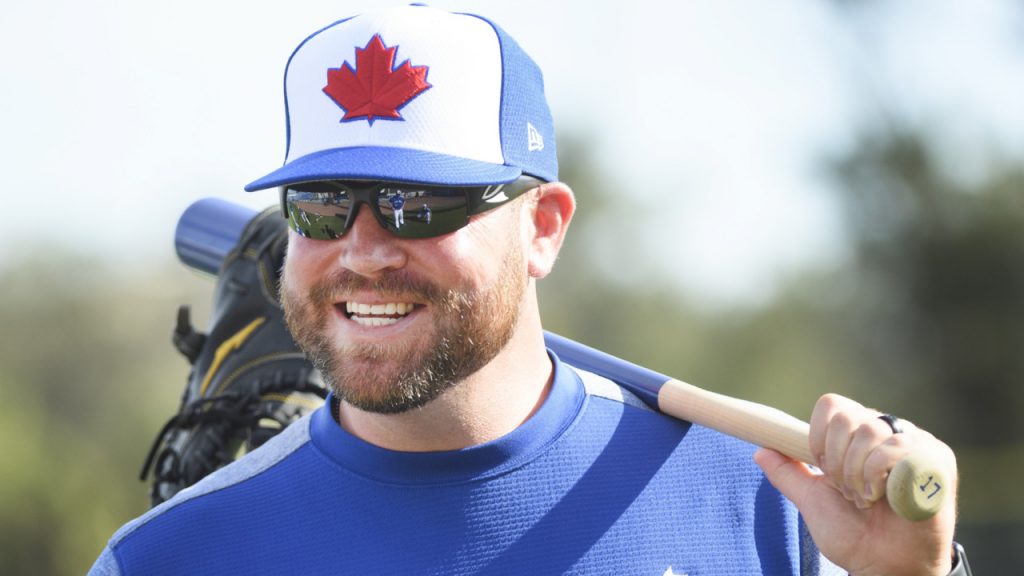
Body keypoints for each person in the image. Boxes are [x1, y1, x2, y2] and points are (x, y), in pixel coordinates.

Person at [90, 5, 967, 575]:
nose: (361, 250)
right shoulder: (171, 557)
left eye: (417, 203)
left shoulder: (774, 509)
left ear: (543, 226)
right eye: (320, 205)